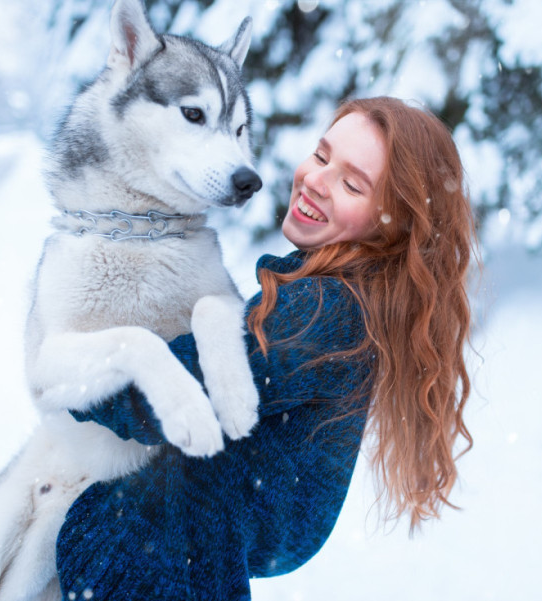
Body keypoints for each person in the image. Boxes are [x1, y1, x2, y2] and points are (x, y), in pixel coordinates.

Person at [55, 96, 477, 600]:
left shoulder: (325, 311)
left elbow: (166, 395)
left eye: (351, 183)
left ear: (394, 223)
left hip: (149, 572)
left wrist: (70, 371)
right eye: (321, 157)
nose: (316, 180)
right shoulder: (355, 309)